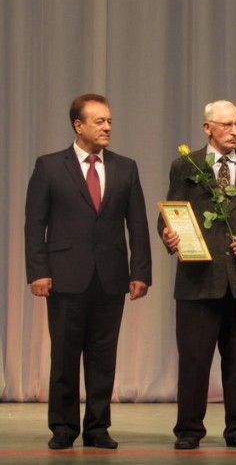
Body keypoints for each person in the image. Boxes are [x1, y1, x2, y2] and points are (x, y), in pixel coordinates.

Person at [24, 93, 152, 450]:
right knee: (65, 356)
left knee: (103, 356)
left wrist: (140, 271)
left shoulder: (126, 167)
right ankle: (63, 427)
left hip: (110, 277)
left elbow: (138, 225)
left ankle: (97, 427)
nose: (107, 127)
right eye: (99, 121)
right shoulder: (50, 166)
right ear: (78, 126)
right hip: (65, 275)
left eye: (109, 121)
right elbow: (34, 224)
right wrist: (37, 271)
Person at [159, 100, 236, 450]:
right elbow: (171, 214)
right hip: (198, 281)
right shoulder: (185, 166)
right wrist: (168, 235)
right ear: (207, 128)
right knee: (194, 360)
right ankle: (188, 430)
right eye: (227, 125)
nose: (234, 131)